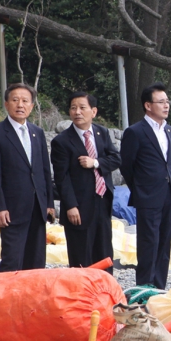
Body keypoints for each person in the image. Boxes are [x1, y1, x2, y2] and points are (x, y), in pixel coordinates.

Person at [0, 83, 55, 272]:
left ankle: (33, 299)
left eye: (25, 101)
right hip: (12, 208)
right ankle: (9, 299)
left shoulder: (37, 133)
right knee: (12, 258)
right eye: (15, 100)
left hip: (37, 207)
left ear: (31, 106)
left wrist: (49, 203)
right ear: (6, 104)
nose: (20, 105)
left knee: (36, 260)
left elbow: (44, 170)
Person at [50, 92, 121, 270]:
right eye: (73, 108)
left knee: (104, 251)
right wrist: (71, 206)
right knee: (81, 254)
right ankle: (82, 294)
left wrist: (95, 163)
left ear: (94, 111)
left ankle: (105, 293)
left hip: (102, 200)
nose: (77, 112)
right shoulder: (62, 141)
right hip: (79, 206)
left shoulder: (101, 133)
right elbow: (62, 177)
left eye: (82, 107)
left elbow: (116, 158)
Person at [119, 83, 171, 288]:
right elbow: (127, 165)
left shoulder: (169, 130)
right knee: (148, 244)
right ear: (148, 105)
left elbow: (167, 162)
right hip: (147, 196)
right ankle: (145, 287)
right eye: (161, 102)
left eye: (167, 101)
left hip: (168, 194)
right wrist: (141, 189)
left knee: (164, 244)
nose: (166, 105)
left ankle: (159, 288)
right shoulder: (135, 132)